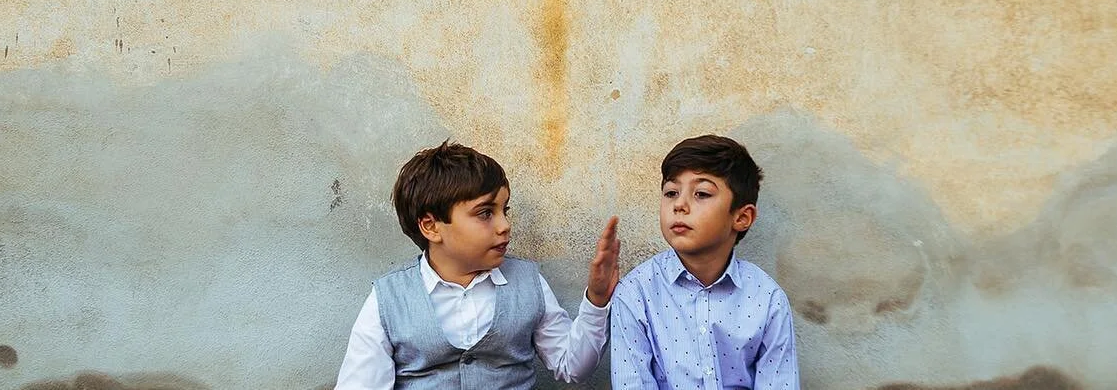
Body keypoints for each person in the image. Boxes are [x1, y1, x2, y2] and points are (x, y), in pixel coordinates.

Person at [336, 140, 620, 389]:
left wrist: (596, 300)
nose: (504, 226)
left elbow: (573, 367)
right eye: (485, 213)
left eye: (504, 210)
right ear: (431, 226)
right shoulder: (389, 300)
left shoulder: (527, 282)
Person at [610, 134, 799, 389]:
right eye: (671, 192)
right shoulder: (635, 294)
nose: (679, 204)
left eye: (701, 193)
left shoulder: (766, 299)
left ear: (742, 217)